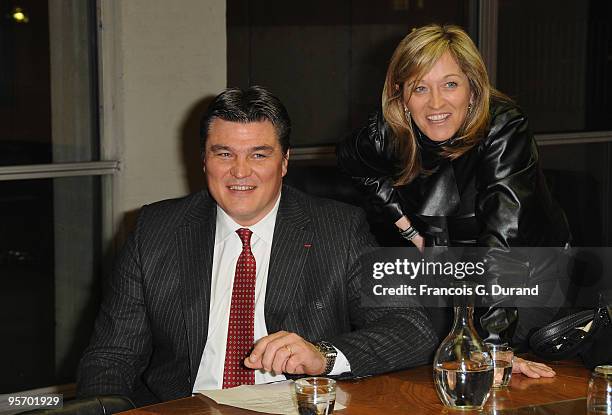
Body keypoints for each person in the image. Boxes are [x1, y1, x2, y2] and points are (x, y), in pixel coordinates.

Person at [77, 86, 438, 406]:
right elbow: (111, 358)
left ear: (284, 162)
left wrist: (323, 357)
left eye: (259, 155)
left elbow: (411, 329)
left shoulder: (339, 229)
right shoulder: (155, 230)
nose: (240, 172)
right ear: (203, 160)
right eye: (224, 154)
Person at [336, 24, 571, 378]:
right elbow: (353, 162)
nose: (435, 103)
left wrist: (494, 346)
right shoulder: (386, 133)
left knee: (473, 361)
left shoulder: (504, 127)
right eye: (420, 88)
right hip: (449, 264)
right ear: (401, 96)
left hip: (527, 268)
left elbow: (503, 245)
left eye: (450, 84)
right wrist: (409, 229)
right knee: (425, 351)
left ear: (473, 89)